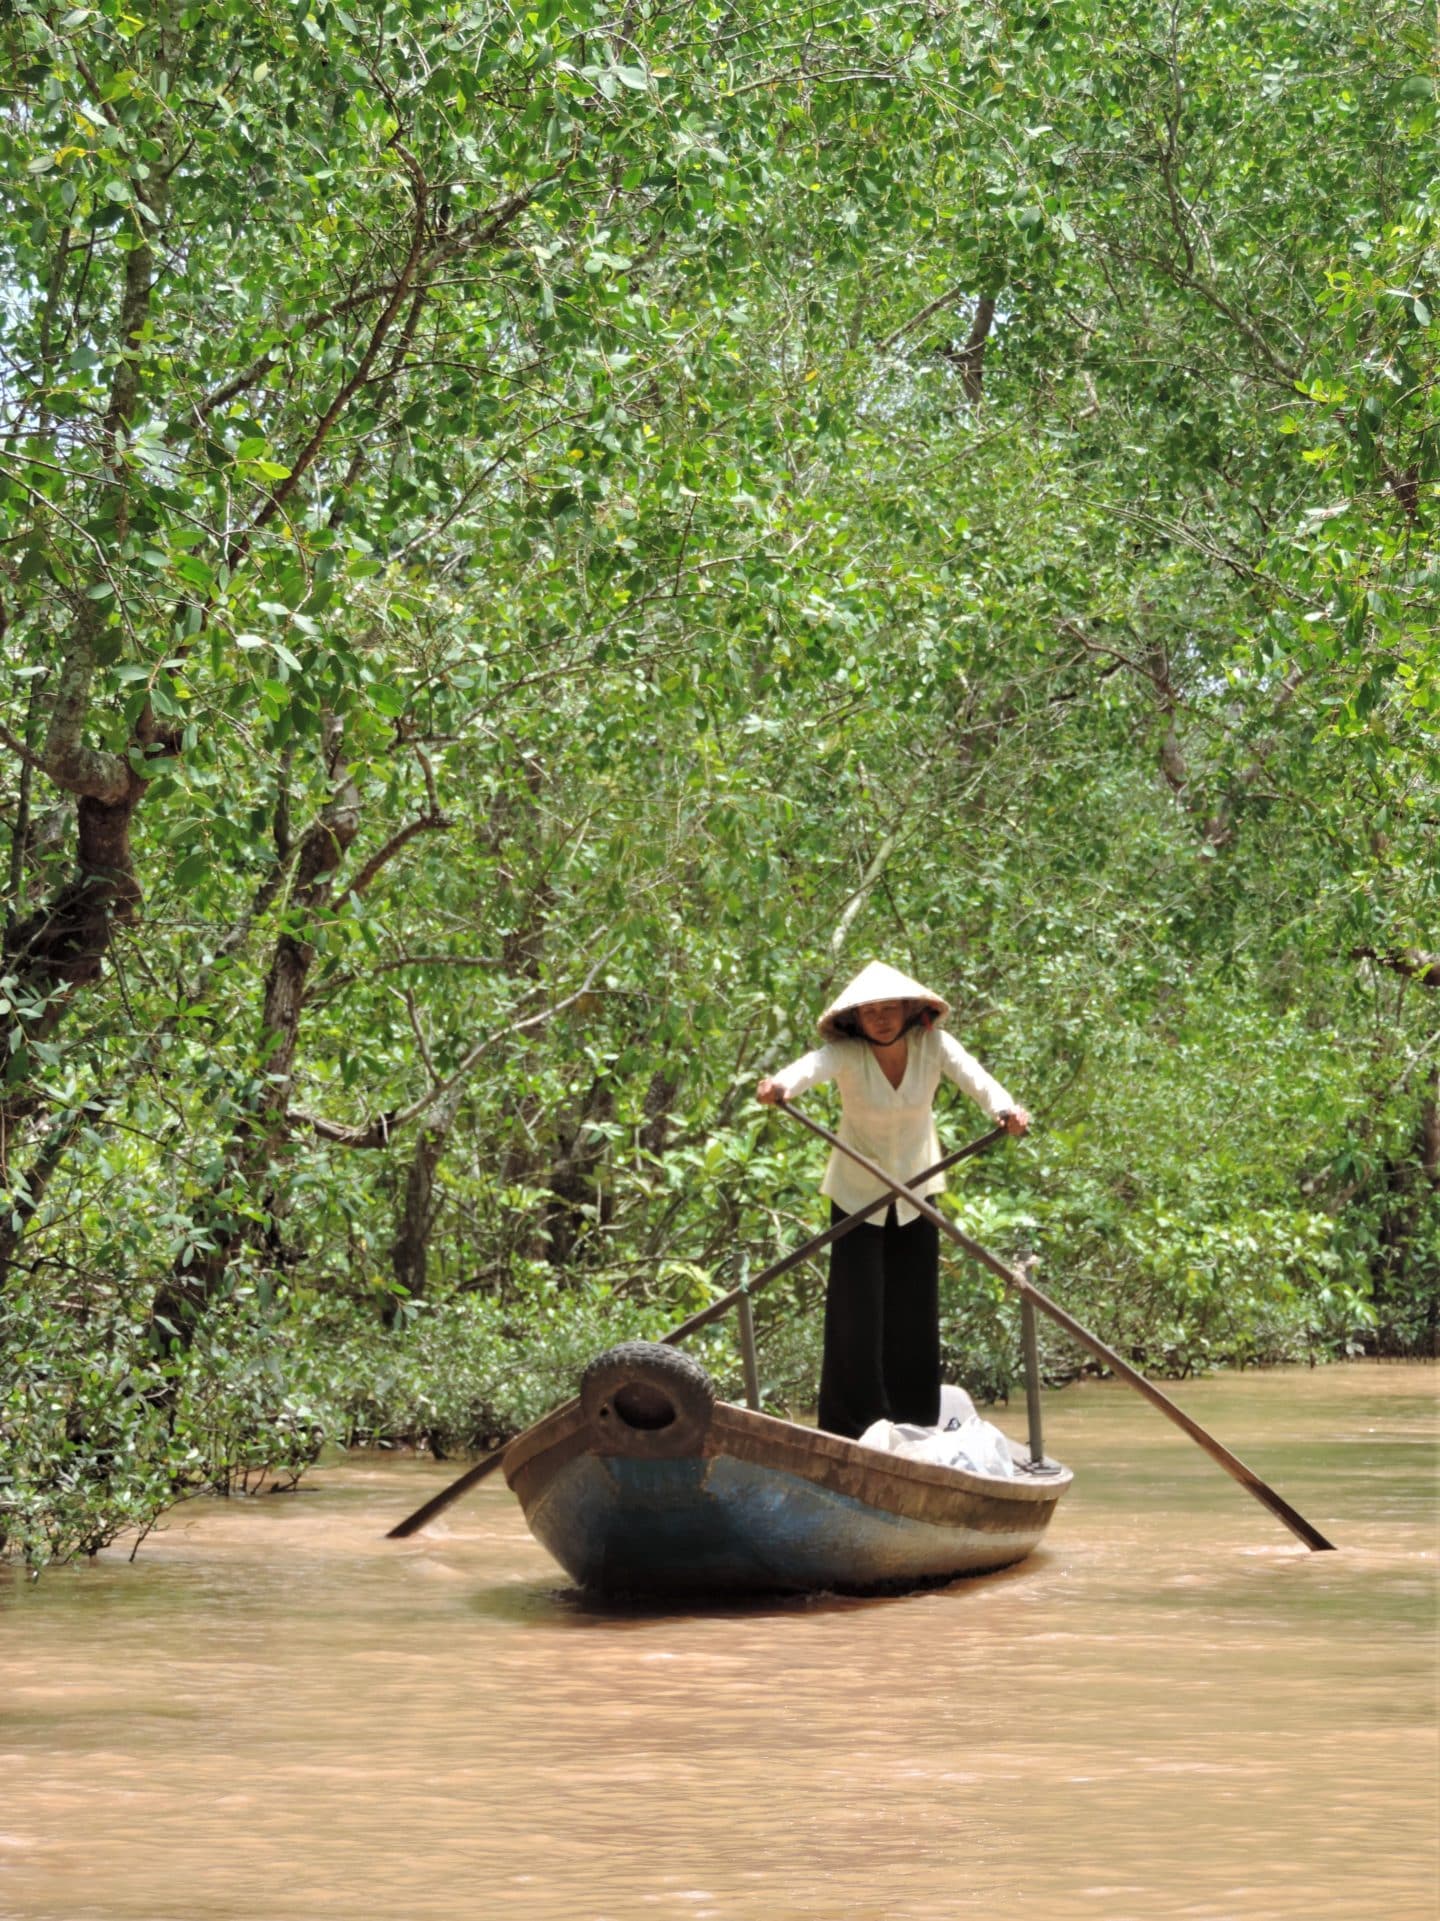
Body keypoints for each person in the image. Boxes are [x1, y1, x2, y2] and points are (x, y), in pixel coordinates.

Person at [756, 960, 1029, 1439]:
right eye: (870, 1012)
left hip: (918, 1191)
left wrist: (1006, 1111)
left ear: (908, 1011)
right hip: (857, 1195)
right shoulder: (848, 1054)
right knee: (857, 1310)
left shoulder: (933, 1046)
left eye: (889, 1009)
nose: (880, 1019)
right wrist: (779, 1087)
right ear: (856, 1020)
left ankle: (914, 1422)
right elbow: (809, 1068)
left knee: (913, 1307)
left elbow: (976, 1079)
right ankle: (851, 1426)